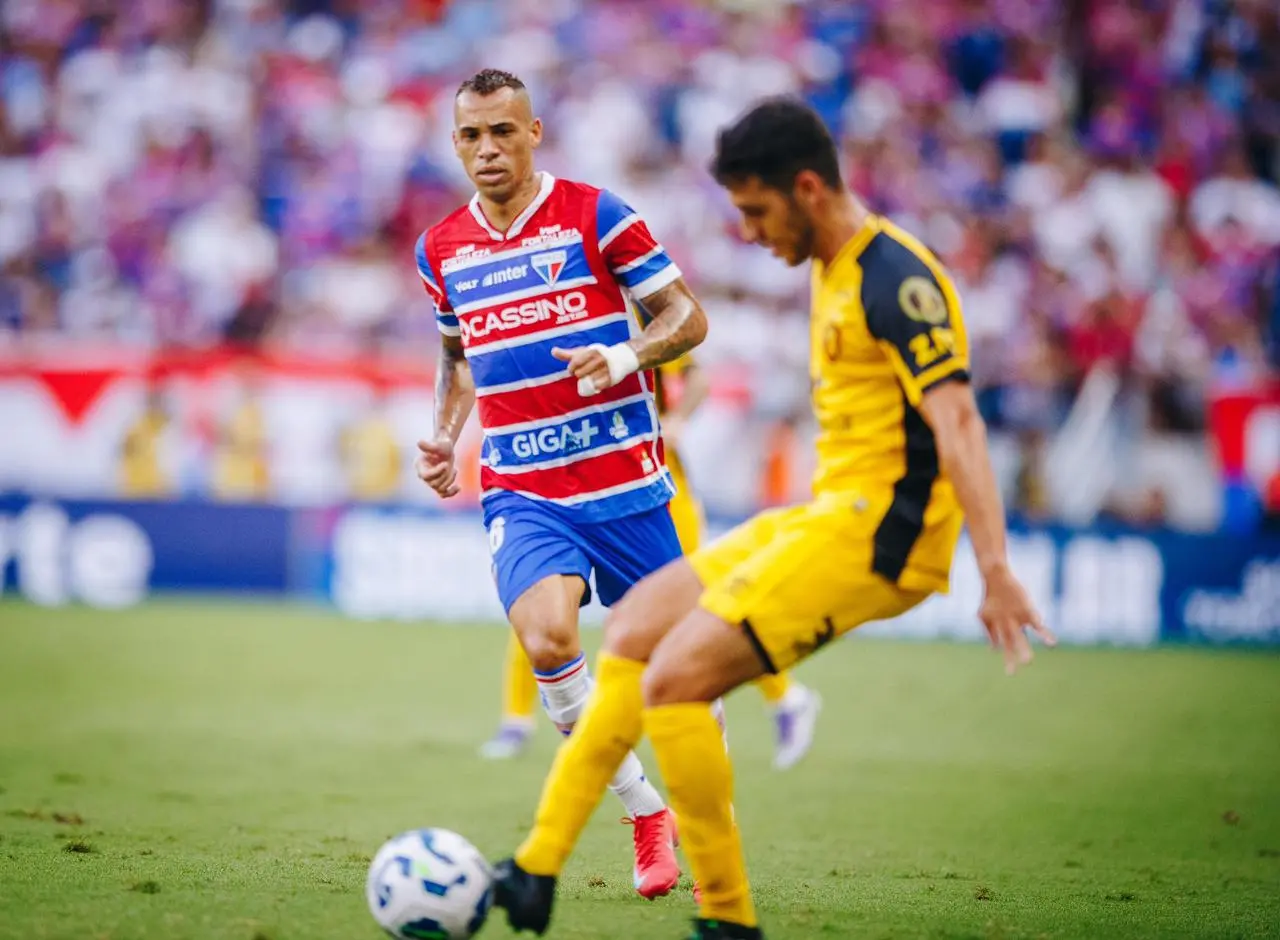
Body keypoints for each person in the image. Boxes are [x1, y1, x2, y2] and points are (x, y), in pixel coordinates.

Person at [491, 97, 1056, 940]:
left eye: (756, 212)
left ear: (807, 189)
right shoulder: (831, 264)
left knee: (676, 682)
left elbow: (960, 423)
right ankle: (535, 871)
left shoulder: (898, 278)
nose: (751, 235)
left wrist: (996, 568)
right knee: (638, 625)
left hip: (882, 541)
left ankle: (726, 921)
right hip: (829, 514)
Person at [412, 68, 711, 901]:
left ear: (534, 132)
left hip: (626, 484)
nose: (487, 150)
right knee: (546, 637)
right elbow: (458, 357)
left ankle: (695, 812)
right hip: (525, 489)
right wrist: (444, 437)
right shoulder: (440, 249)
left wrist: (622, 356)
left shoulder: (597, 214)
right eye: (471, 135)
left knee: (687, 677)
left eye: (503, 132)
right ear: (455, 143)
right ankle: (645, 810)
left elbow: (687, 317)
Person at [479, 352, 824, 771]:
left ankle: (784, 697)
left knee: (698, 612)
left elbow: (695, 375)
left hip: (652, 488)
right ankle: (516, 721)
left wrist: (677, 419)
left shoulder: (636, 306)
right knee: (541, 599)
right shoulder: (542, 324)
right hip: (566, 489)